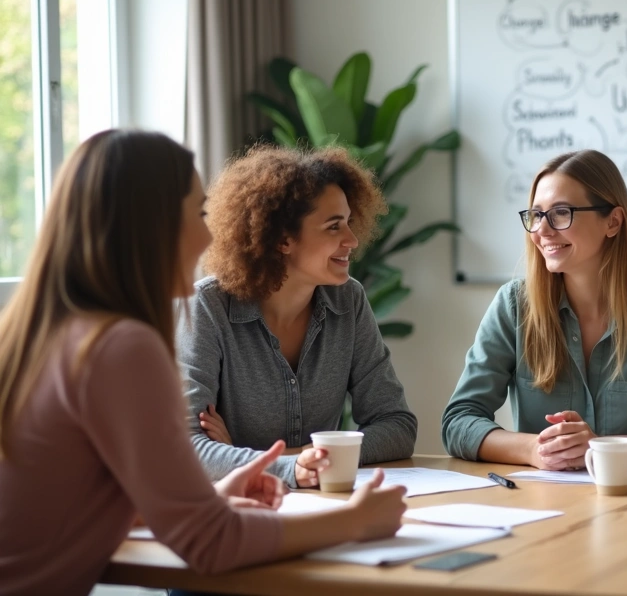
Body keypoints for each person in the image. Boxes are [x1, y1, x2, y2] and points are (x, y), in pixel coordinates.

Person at [0, 130, 407, 596]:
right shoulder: (122, 347)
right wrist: (355, 521)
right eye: (197, 214)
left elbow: (77, 505)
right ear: (152, 227)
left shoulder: (47, 333)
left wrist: (211, 498)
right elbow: (210, 544)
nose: (210, 234)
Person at [441, 149, 627, 469]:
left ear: (613, 222)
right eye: (536, 215)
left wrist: (601, 449)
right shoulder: (513, 306)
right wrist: (535, 450)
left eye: (561, 213)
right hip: (541, 496)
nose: (542, 231)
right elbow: (459, 422)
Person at [178, 145, 417, 489]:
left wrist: (294, 458)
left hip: (323, 502)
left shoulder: (348, 300)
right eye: (334, 227)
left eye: (349, 223)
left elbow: (397, 425)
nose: (352, 240)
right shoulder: (209, 307)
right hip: (240, 507)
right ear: (283, 239)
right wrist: (294, 466)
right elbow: (186, 445)